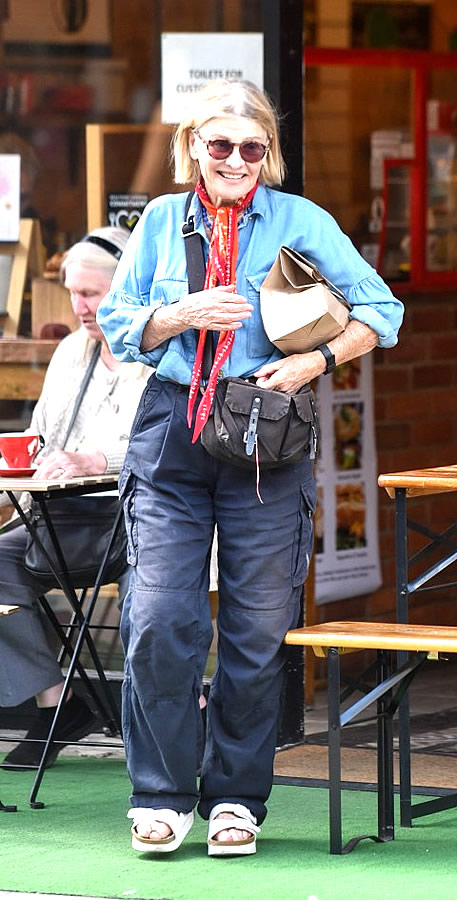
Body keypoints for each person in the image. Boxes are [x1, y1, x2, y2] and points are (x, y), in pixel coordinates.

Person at [97, 79, 404, 857]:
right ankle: (160, 795)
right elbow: (118, 320)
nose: (236, 160)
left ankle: (236, 798)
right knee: (159, 619)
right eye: (220, 145)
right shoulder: (162, 220)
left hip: (265, 429)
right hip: (171, 428)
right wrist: (180, 313)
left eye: (252, 148)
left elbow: (381, 311)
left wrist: (314, 363)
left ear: (268, 154)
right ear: (193, 147)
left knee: (257, 629)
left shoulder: (301, 220)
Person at [0, 226, 151, 769]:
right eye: (73, 293)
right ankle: (56, 704)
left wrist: (94, 460)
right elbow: (41, 436)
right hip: (65, 517)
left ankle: (177, 714)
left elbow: (165, 446)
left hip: (143, 517)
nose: (80, 307)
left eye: (93, 293)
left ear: (127, 288)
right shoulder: (70, 350)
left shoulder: (162, 354)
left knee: (156, 592)